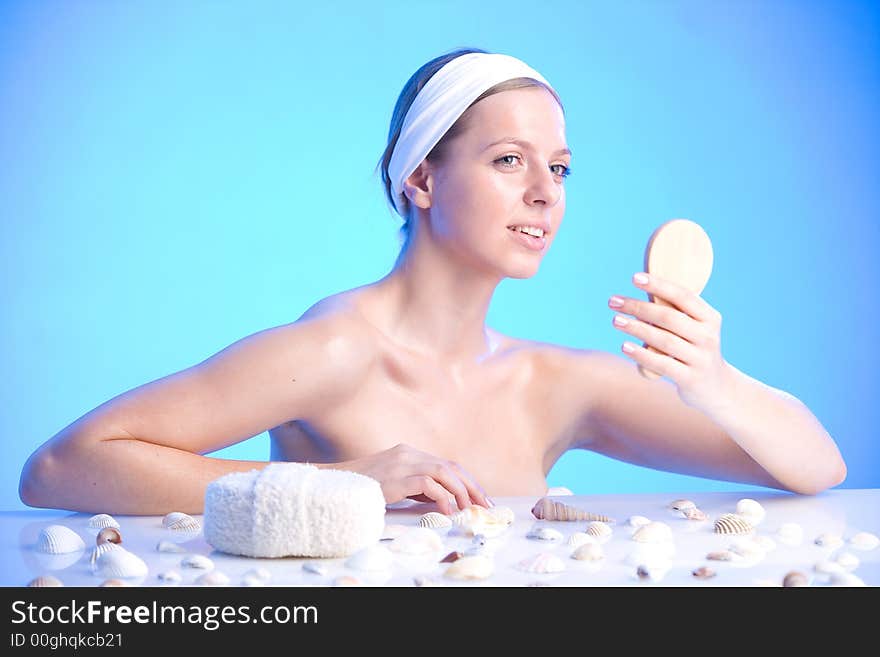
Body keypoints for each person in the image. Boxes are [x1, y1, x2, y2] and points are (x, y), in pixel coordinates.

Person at [19, 48, 846, 517]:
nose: (545, 193)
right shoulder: (336, 350)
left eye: (559, 167)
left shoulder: (552, 384)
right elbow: (62, 467)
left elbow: (816, 468)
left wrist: (714, 380)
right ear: (420, 179)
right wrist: (331, 488)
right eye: (508, 160)